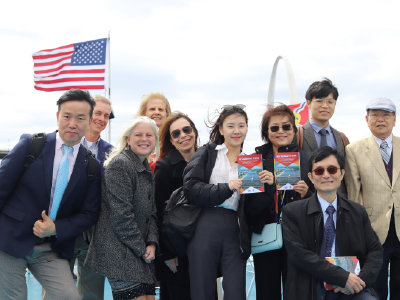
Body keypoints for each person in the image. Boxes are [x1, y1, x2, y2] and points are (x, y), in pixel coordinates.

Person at [0, 89, 101, 300]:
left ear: (89, 121)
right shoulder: (31, 145)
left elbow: (89, 214)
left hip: (50, 249)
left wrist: (56, 228)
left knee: (69, 297)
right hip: (9, 241)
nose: (72, 123)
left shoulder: (92, 166)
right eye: (67, 116)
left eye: (80, 118)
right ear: (57, 117)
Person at [183, 104, 271, 300]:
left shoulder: (251, 162)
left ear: (247, 129)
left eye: (241, 126)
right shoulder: (208, 152)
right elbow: (191, 187)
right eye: (231, 126)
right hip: (204, 222)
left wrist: (267, 187)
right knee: (202, 288)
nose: (236, 131)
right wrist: (226, 187)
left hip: (235, 227)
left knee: (236, 290)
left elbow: (252, 208)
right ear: (221, 129)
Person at [282, 146, 383, 300]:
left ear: (342, 173)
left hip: (352, 286)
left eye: (332, 169)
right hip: (312, 285)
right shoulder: (292, 211)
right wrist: (342, 277)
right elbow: (298, 255)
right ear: (310, 176)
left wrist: (358, 281)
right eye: (319, 171)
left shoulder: (357, 211)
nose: (326, 175)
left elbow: (375, 250)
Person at [44, 95, 114, 300]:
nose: (101, 118)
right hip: (61, 230)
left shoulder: (111, 152)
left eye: (107, 115)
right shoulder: (61, 146)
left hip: (94, 235)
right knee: (54, 293)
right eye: (98, 113)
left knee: (92, 293)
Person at [85, 116, 160, 300]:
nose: (144, 139)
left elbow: (151, 212)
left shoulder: (144, 168)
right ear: (128, 139)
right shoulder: (120, 165)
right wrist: (142, 249)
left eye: (149, 135)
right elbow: (122, 216)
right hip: (119, 252)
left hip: (137, 250)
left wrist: (151, 242)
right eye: (138, 135)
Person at [250, 104, 312, 300]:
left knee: (297, 292)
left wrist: (306, 194)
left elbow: (319, 202)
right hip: (266, 234)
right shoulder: (254, 161)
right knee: (266, 291)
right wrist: (269, 188)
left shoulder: (307, 160)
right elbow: (250, 208)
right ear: (266, 132)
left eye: (286, 127)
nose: (281, 131)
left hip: (298, 236)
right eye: (274, 127)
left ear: (294, 130)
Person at [345, 98, 399, 300]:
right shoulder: (354, 150)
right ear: (367, 120)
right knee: (375, 287)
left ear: (394, 119)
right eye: (375, 115)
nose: (381, 119)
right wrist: (359, 231)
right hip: (373, 231)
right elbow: (353, 194)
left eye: (386, 115)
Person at [154, 112, 199, 299]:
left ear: (194, 131)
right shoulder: (164, 167)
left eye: (186, 130)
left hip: (203, 244)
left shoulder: (208, 160)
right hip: (177, 250)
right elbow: (158, 212)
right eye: (176, 133)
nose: (183, 136)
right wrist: (166, 254)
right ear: (171, 140)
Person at [299, 78, 349, 198]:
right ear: (309, 103)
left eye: (330, 102)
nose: (325, 106)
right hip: (306, 202)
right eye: (319, 101)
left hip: (337, 202)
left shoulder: (342, 138)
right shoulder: (297, 135)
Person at [135, 92, 172, 172]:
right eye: (152, 109)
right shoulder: (134, 142)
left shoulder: (173, 142)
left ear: (167, 114)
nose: (157, 112)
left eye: (160, 109)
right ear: (143, 114)